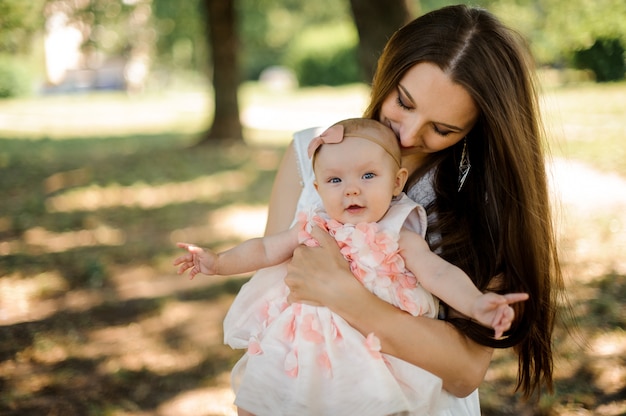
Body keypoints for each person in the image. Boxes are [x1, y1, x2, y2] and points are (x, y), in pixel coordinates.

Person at [263, 4, 565, 415]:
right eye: (403, 102)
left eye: (441, 129)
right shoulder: (308, 153)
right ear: (388, 71)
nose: (405, 134)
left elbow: (463, 372)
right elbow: (272, 295)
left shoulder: (481, 205)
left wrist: (347, 297)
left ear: (476, 130)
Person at [174, 118, 529, 415]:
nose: (352, 191)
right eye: (335, 180)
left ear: (397, 182)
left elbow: (436, 273)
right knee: (264, 400)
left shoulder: (399, 230)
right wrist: (218, 262)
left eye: (368, 176)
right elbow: (265, 249)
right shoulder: (313, 224)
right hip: (306, 340)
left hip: (374, 351)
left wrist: (476, 303)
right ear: (317, 188)